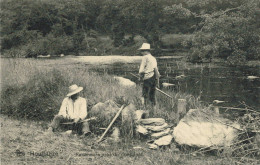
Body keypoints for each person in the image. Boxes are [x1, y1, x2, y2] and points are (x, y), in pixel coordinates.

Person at [138, 43, 160, 108]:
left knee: (144, 95)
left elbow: (141, 70)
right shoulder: (153, 58)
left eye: (142, 51)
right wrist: (157, 81)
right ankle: (154, 109)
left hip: (147, 78)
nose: (141, 52)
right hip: (153, 78)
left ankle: (144, 108)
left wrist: (140, 77)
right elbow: (156, 70)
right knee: (152, 95)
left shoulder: (145, 57)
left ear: (145, 51)